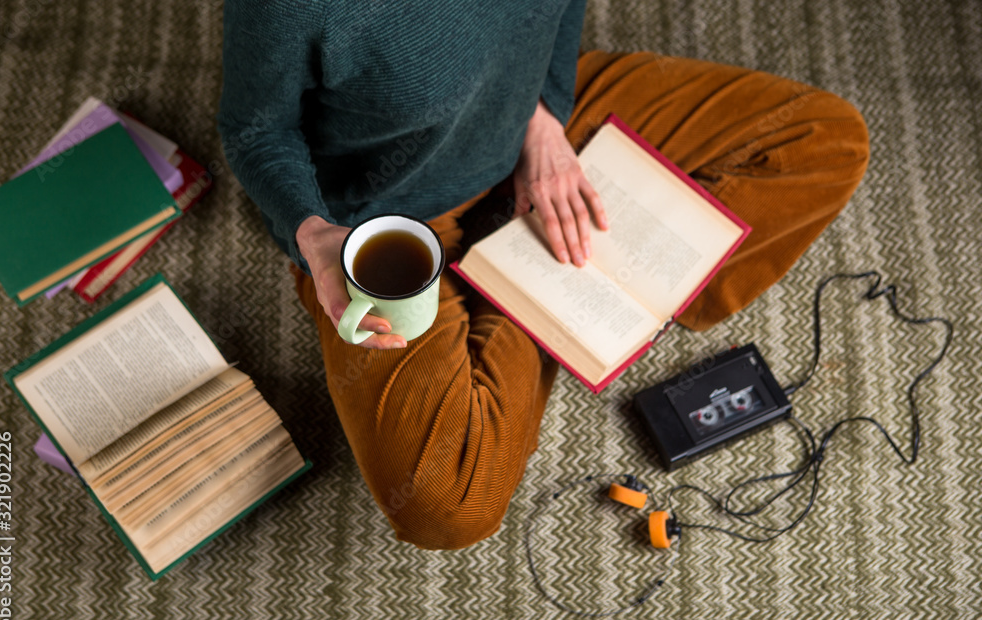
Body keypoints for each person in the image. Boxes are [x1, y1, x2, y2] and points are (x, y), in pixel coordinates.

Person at [217, 0, 869, 550]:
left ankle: (535, 284)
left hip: (527, 120)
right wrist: (316, 235)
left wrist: (546, 118)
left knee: (826, 140)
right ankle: (545, 294)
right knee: (447, 504)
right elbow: (255, 131)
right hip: (392, 222)